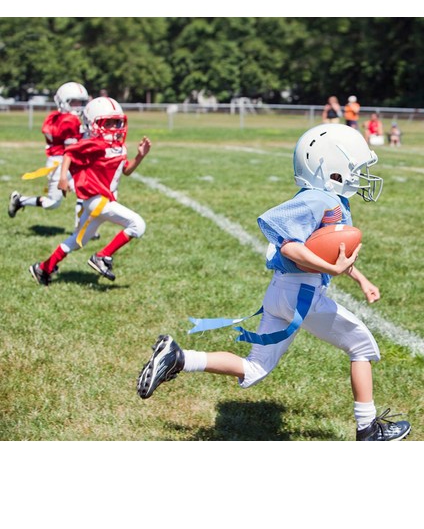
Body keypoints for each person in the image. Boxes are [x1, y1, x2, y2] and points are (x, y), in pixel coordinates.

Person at [136, 124, 411, 442]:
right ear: (331, 167)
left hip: (282, 291)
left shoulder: (330, 200)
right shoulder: (316, 199)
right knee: (362, 345)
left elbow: (331, 253)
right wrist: (330, 269)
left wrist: (361, 279)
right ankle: (368, 428)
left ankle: (179, 357)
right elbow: (290, 247)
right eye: (355, 167)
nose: (360, 175)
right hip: (300, 294)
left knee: (254, 369)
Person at [29, 96, 151, 286]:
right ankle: (102, 257)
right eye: (108, 122)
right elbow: (69, 153)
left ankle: (43, 268)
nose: (115, 127)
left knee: (78, 241)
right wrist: (62, 178)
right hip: (98, 201)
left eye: (117, 121)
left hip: (102, 201)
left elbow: (125, 171)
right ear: (93, 124)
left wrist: (140, 156)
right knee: (138, 225)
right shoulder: (95, 143)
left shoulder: (118, 146)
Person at [8, 81, 89, 231]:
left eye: (81, 102)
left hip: (60, 159)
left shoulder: (56, 116)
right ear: (63, 102)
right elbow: (70, 149)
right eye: (74, 102)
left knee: (84, 193)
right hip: (62, 163)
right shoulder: (69, 121)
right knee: (52, 203)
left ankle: (82, 230)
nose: (78, 106)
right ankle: (20, 200)